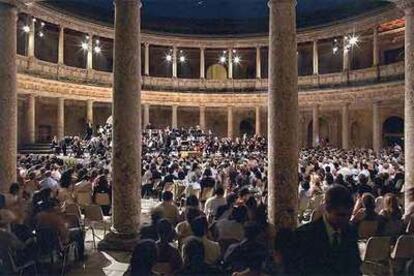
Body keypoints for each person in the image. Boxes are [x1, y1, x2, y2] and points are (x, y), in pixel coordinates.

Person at [288, 185, 361, 275]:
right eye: (340, 215)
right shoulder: (304, 235)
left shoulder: (350, 231)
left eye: (349, 215)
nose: (346, 219)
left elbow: (355, 266)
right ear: (327, 209)